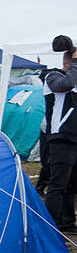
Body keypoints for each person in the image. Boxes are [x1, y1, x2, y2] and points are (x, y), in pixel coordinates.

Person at [42, 37, 77, 234]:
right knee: (58, 184)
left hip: (74, 138)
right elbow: (65, 85)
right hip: (60, 137)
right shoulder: (51, 77)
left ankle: (67, 223)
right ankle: (49, 226)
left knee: (71, 185)